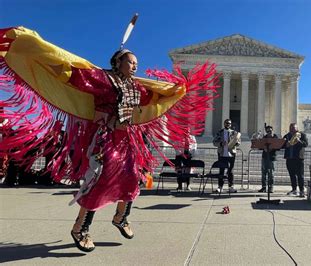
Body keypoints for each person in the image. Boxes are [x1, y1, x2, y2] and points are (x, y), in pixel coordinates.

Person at [0, 26, 217, 252]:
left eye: (136, 62)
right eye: (131, 61)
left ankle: (121, 217)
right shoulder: (102, 79)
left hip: (127, 139)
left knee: (135, 175)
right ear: (118, 62)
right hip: (104, 138)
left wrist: (177, 89)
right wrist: (41, 56)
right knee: (100, 180)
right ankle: (80, 227)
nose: (135, 65)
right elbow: (72, 74)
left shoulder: (136, 87)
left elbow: (155, 95)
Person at [213, 119, 241, 193]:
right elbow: (214, 142)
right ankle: (220, 187)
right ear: (224, 124)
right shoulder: (220, 132)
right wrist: (221, 144)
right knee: (221, 170)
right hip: (222, 154)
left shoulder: (234, 132)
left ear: (231, 124)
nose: (228, 124)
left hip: (231, 154)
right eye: (227, 123)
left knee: (230, 171)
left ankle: (231, 186)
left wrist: (236, 143)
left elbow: (238, 142)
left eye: (229, 123)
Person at [283, 123, 308, 197]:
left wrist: (299, 141)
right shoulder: (287, 136)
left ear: (297, 128)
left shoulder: (302, 135)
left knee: (300, 175)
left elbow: (305, 144)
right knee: (292, 175)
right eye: (290, 128)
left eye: (293, 128)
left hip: (298, 159)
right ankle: (294, 189)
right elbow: (282, 145)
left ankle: (302, 191)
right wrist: (285, 145)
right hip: (289, 158)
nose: (292, 129)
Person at [258, 125, 278, 193]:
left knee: (271, 173)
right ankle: (264, 187)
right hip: (265, 157)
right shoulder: (265, 137)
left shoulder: (275, 137)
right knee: (264, 173)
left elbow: (278, 146)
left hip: (272, 158)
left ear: (272, 130)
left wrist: (271, 148)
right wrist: (264, 148)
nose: (269, 132)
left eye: (270, 130)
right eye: (267, 131)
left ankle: (271, 187)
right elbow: (260, 146)